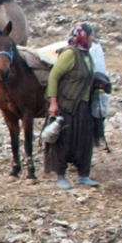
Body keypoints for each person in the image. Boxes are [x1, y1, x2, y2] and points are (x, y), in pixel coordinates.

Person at [45, 22, 99, 189]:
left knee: (84, 140)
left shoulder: (86, 55)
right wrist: (53, 102)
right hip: (67, 104)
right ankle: (61, 176)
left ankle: (83, 175)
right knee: (64, 140)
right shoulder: (70, 53)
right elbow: (54, 76)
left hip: (83, 105)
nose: (93, 39)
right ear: (82, 37)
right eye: (90, 36)